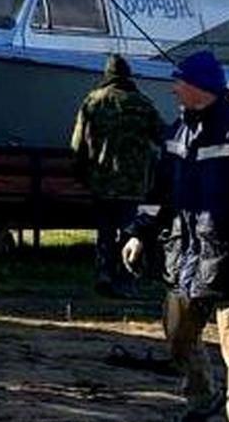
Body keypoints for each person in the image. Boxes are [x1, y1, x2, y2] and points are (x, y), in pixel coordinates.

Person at [122, 49, 229, 422]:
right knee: (178, 337)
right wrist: (139, 232)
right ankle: (201, 398)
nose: (173, 89)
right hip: (185, 257)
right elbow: (158, 189)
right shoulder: (177, 131)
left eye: (178, 81)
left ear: (198, 87)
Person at [70, 55, 164, 296]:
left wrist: (80, 172)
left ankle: (104, 274)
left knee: (105, 233)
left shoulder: (93, 101)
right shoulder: (142, 104)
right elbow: (162, 136)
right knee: (129, 232)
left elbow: (78, 142)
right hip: (132, 183)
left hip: (101, 181)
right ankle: (125, 279)